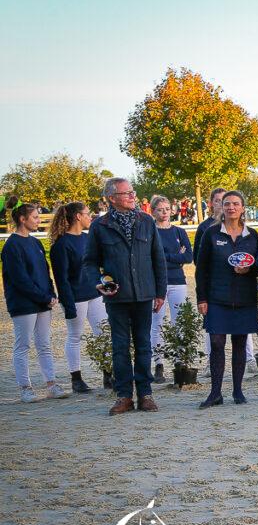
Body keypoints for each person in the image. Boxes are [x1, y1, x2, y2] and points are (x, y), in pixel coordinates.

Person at [83, 178, 167, 415]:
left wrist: (160, 291)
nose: (132, 196)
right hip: (117, 297)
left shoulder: (146, 221)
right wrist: (99, 282)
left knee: (143, 345)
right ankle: (123, 396)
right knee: (119, 347)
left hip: (144, 295)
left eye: (133, 192)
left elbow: (157, 258)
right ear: (112, 198)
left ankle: (145, 394)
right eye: (127, 193)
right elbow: (89, 263)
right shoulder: (100, 226)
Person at [195, 190, 258, 408]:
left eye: (235, 203)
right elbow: (201, 268)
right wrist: (202, 298)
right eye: (227, 204)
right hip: (217, 297)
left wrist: (250, 269)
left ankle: (237, 390)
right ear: (220, 208)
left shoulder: (252, 235)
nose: (231, 207)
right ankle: (215, 393)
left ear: (243, 208)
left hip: (244, 297)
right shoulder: (211, 233)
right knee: (216, 343)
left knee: (240, 343)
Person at [2, 204, 71, 402]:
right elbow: (20, 279)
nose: (38, 220)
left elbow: (44, 271)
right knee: (22, 345)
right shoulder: (12, 246)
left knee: (44, 344)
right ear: (22, 219)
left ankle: (51, 384)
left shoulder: (36, 243)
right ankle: (25, 388)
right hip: (24, 303)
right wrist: (43, 297)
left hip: (43, 302)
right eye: (34, 217)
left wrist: (51, 293)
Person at [50, 201, 108, 393]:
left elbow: (96, 265)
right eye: (86, 213)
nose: (90, 216)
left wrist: (104, 285)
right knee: (75, 336)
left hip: (94, 293)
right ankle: (76, 378)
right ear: (77, 216)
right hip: (76, 297)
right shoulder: (62, 244)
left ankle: (108, 374)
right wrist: (68, 304)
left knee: (103, 333)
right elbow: (62, 278)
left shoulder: (87, 238)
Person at [150, 195, 193, 384]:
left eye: (167, 209)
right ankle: (158, 364)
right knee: (157, 323)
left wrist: (168, 257)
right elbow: (152, 257)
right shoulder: (151, 232)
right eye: (160, 209)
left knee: (179, 321)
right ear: (153, 212)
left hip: (178, 280)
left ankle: (179, 361)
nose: (165, 212)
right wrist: (175, 255)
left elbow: (188, 257)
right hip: (157, 282)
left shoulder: (179, 232)